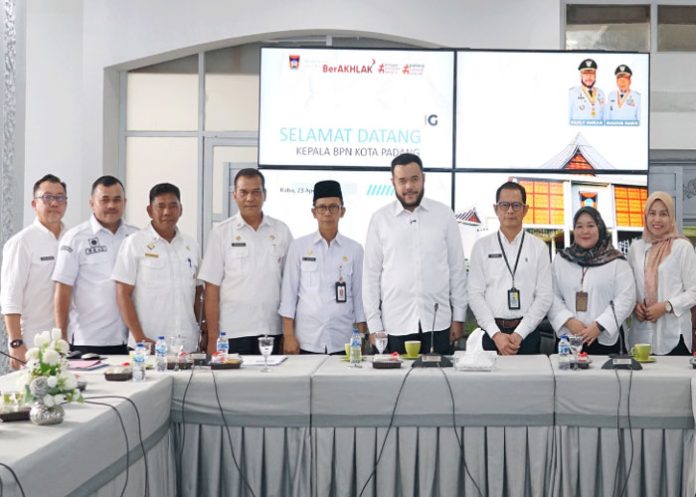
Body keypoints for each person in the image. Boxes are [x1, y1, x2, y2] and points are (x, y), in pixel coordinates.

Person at [362, 153, 467, 355]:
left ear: (423, 179)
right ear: (393, 182)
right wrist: (374, 325)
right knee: (397, 376)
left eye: (414, 179)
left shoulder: (444, 215)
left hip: (438, 323)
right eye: (402, 181)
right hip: (395, 325)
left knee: (440, 376)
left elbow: (457, 269)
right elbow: (370, 277)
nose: (409, 186)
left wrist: (459, 317)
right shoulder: (380, 219)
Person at [199, 168, 292, 355]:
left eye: (256, 192)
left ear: (265, 195)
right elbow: (211, 289)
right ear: (235, 195)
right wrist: (213, 338)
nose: (250, 198)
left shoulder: (281, 231)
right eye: (244, 192)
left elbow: (290, 286)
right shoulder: (221, 233)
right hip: (233, 333)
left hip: (272, 330)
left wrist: (289, 333)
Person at [112, 183, 202, 353]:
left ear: (181, 209)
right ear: (149, 211)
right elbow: (122, 293)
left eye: (173, 206)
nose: (167, 212)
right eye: (160, 206)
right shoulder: (134, 243)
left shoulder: (191, 245)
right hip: (147, 346)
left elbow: (197, 293)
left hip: (187, 346)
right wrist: (140, 338)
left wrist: (203, 330)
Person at [52, 175, 137, 355]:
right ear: (92, 203)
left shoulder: (135, 237)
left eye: (117, 200)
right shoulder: (75, 238)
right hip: (88, 340)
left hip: (130, 340)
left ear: (125, 202)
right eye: (104, 200)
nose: (111, 205)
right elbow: (63, 289)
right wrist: (61, 336)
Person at [279, 180, 366, 354]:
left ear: (342, 211)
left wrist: (362, 337)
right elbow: (289, 295)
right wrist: (288, 336)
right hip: (307, 339)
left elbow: (359, 298)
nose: (327, 213)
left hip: (344, 339)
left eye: (333, 207)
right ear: (314, 212)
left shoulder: (355, 249)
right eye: (322, 207)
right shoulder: (299, 247)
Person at [468, 181, 553, 355]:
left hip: (527, 334)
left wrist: (520, 333)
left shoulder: (539, 248)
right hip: (491, 335)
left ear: (525, 209)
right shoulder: (481, 247)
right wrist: (495, 334)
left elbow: (544, 296)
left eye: (516, 205)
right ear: (496, 209)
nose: (510, 211)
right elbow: (475, 294)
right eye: (504, 205)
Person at [1, 174, 67, 368]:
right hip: (34, 343)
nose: (54, 203)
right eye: (47, 197)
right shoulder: (21, 243)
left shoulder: (72, 239)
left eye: (60, 197)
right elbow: (10, 298)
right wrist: (16, 343)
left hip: (69, 342)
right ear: (34, 203)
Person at [548, 207, 635, 354]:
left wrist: (599, 326)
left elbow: (626, 297)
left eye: (590, 225)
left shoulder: (617, 261)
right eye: (579, 226)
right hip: (569, 337)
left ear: (599, 228)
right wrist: (569, 321)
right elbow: (550, 294)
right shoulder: (561, 260)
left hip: (604, 338)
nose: (585, 231)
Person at [628, 192, 696, 356]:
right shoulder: (636, 248)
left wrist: (667, 306)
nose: (657, 219)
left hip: (674, 334)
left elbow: (694, 291)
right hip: (641, 335)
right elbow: (628, 288)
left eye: (663, 214)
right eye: (652, 213)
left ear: (671, 217)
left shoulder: (682, 247)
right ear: (646, 216)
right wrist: (634, 306)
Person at [568, 58, 605, 125]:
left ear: (595, 75)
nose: (589, 77)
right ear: (581, 75)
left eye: (592, 74)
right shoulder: (572, 93)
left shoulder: (601, 93)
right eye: (585, 74)